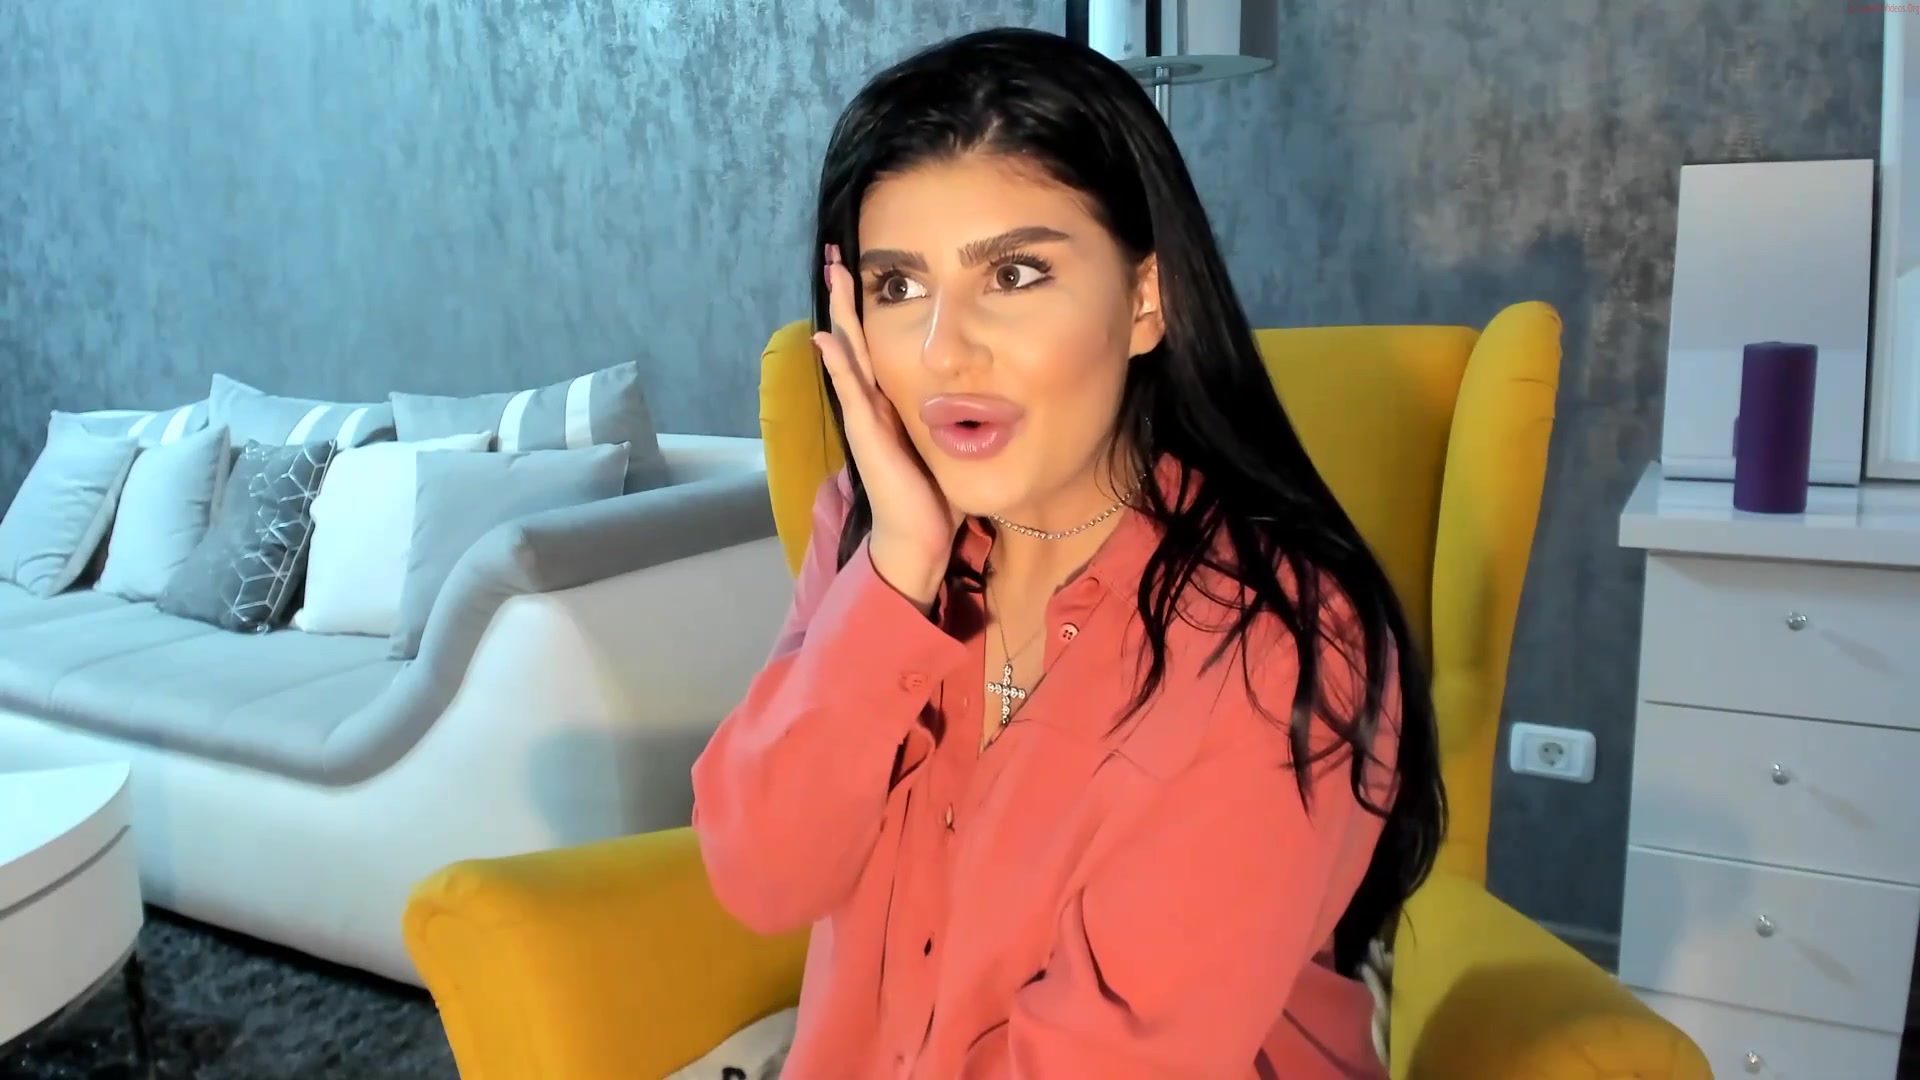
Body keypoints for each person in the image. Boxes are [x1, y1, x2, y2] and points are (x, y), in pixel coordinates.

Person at [691, 25, 1444, 1080]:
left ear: (1145, 300)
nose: (944, 351)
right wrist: (897, 573)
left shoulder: (1277, 639)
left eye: (1014, 273)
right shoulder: (871, 534)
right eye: (898, 287)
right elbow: (762, 875)